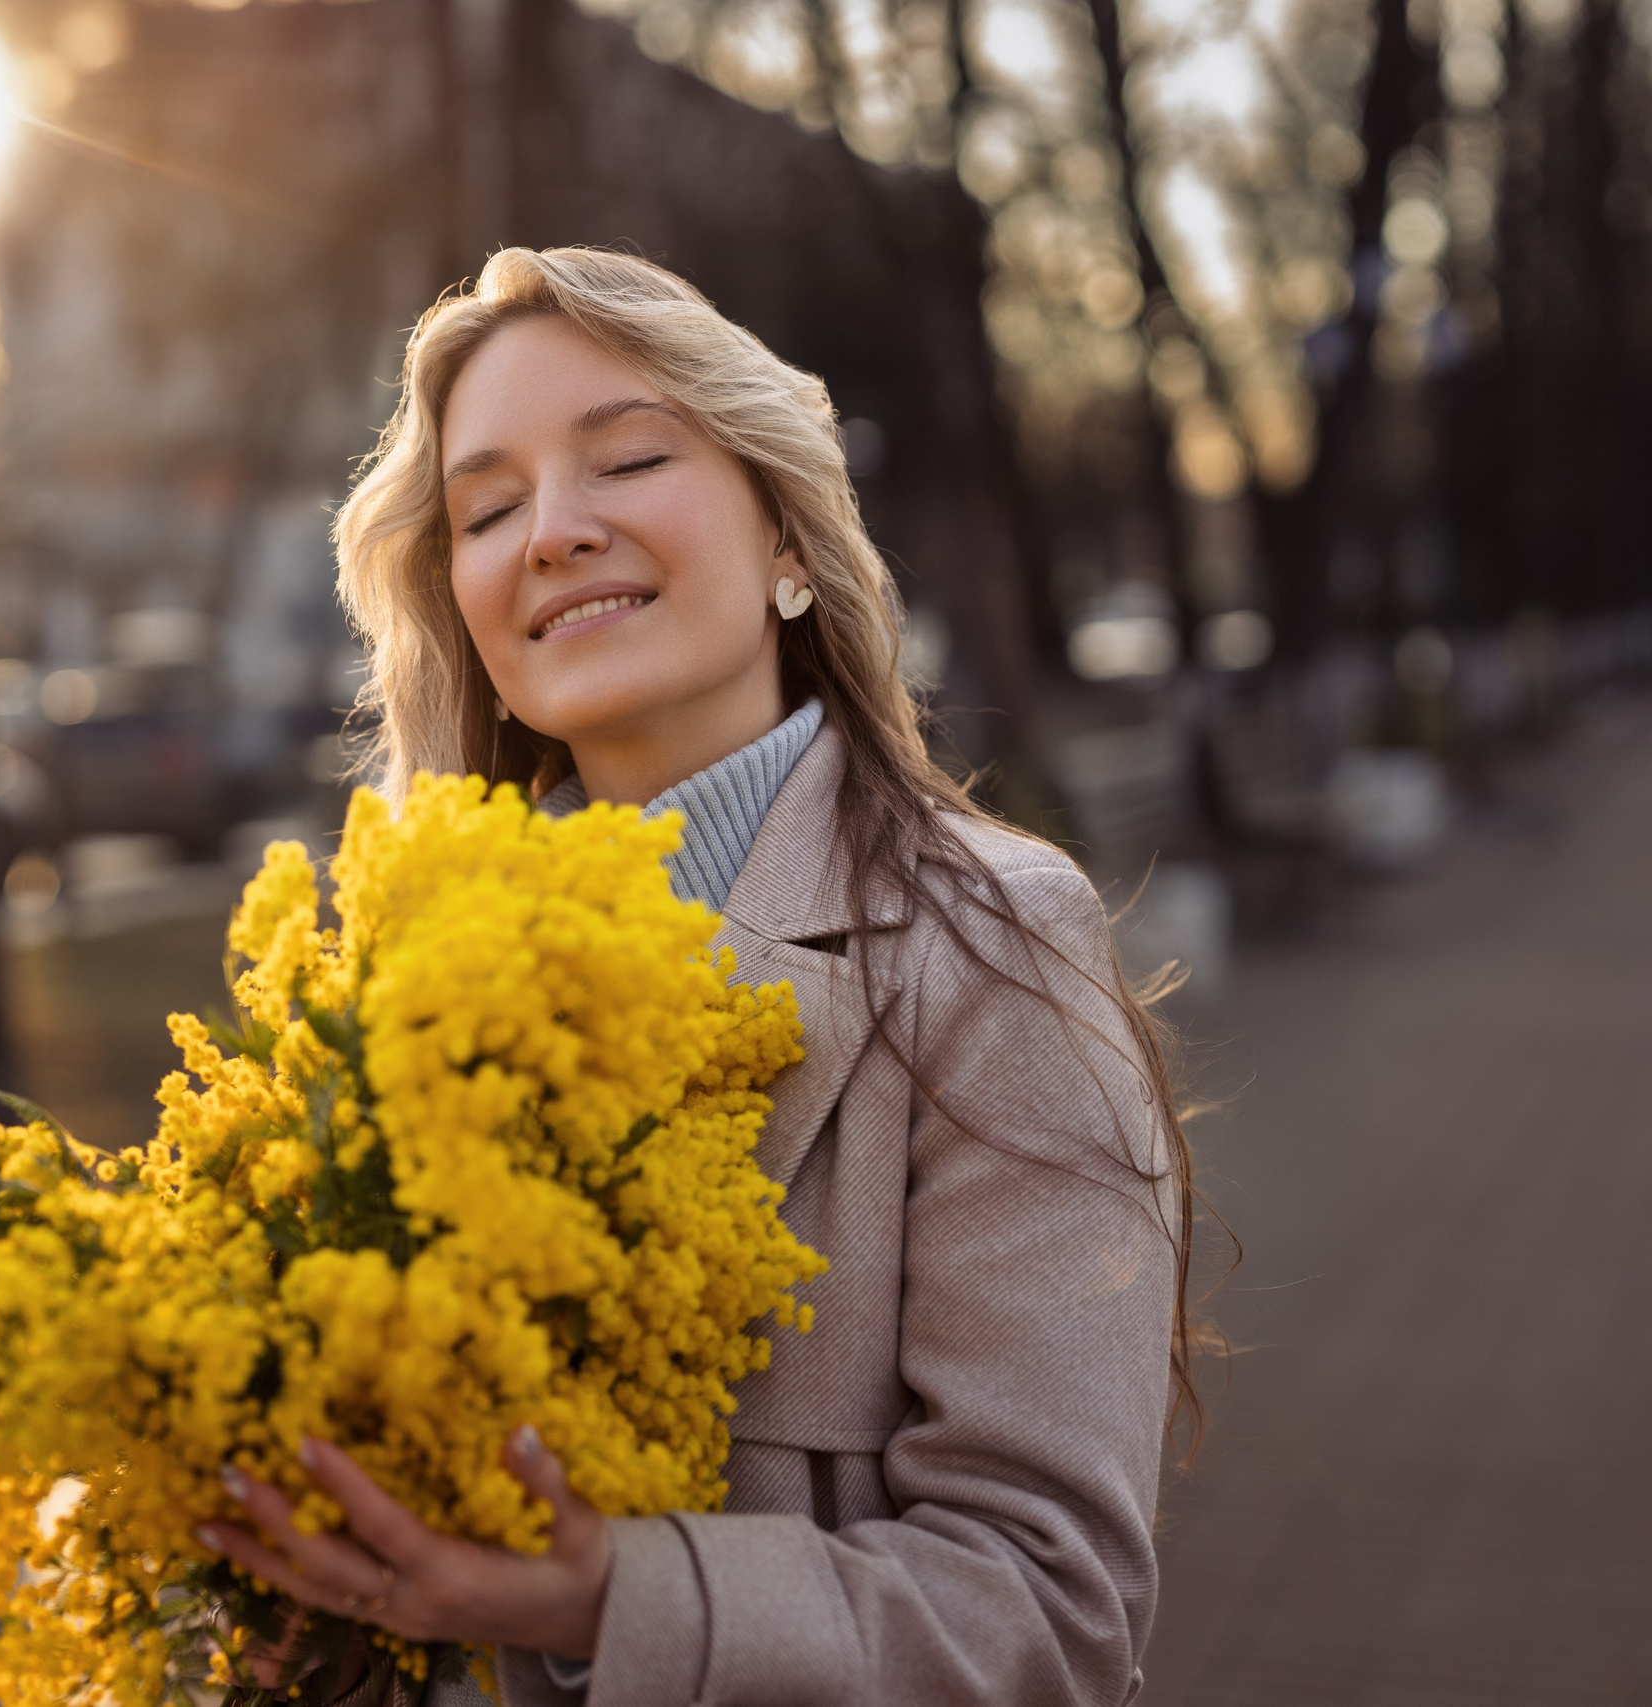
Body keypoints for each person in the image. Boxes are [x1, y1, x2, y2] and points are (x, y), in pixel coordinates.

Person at [198, 246, 1201, 1706]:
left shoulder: (992, 945)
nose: (552, 532)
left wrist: (616, 1599)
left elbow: (1049, 1616)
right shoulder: (385, 994)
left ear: (789, 538)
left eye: (629, 460)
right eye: (487, 508)